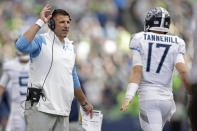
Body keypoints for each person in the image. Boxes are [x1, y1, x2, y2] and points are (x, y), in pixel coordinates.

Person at [16, 4, 93, 131]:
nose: (66, 25)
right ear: (51, 24)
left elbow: (73, 77)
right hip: (40, 107)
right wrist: (40, 22)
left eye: (68, 22)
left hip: (62, 109)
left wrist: (84, 102)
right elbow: (21, 46)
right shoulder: (41, 41)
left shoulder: (70, 47)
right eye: (61, 22)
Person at [120, 7, 190, 131]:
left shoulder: (139, 38)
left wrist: (128, 96)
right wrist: (191, 93)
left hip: (149, 98)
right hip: (167, 101)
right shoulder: (177, 41)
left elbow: (137, 71)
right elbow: (183, 71)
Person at [0, 49, 30, 131]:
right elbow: (2, 86)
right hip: (17, 107)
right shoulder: (10, 65)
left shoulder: (35, 63)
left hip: (32, 106)